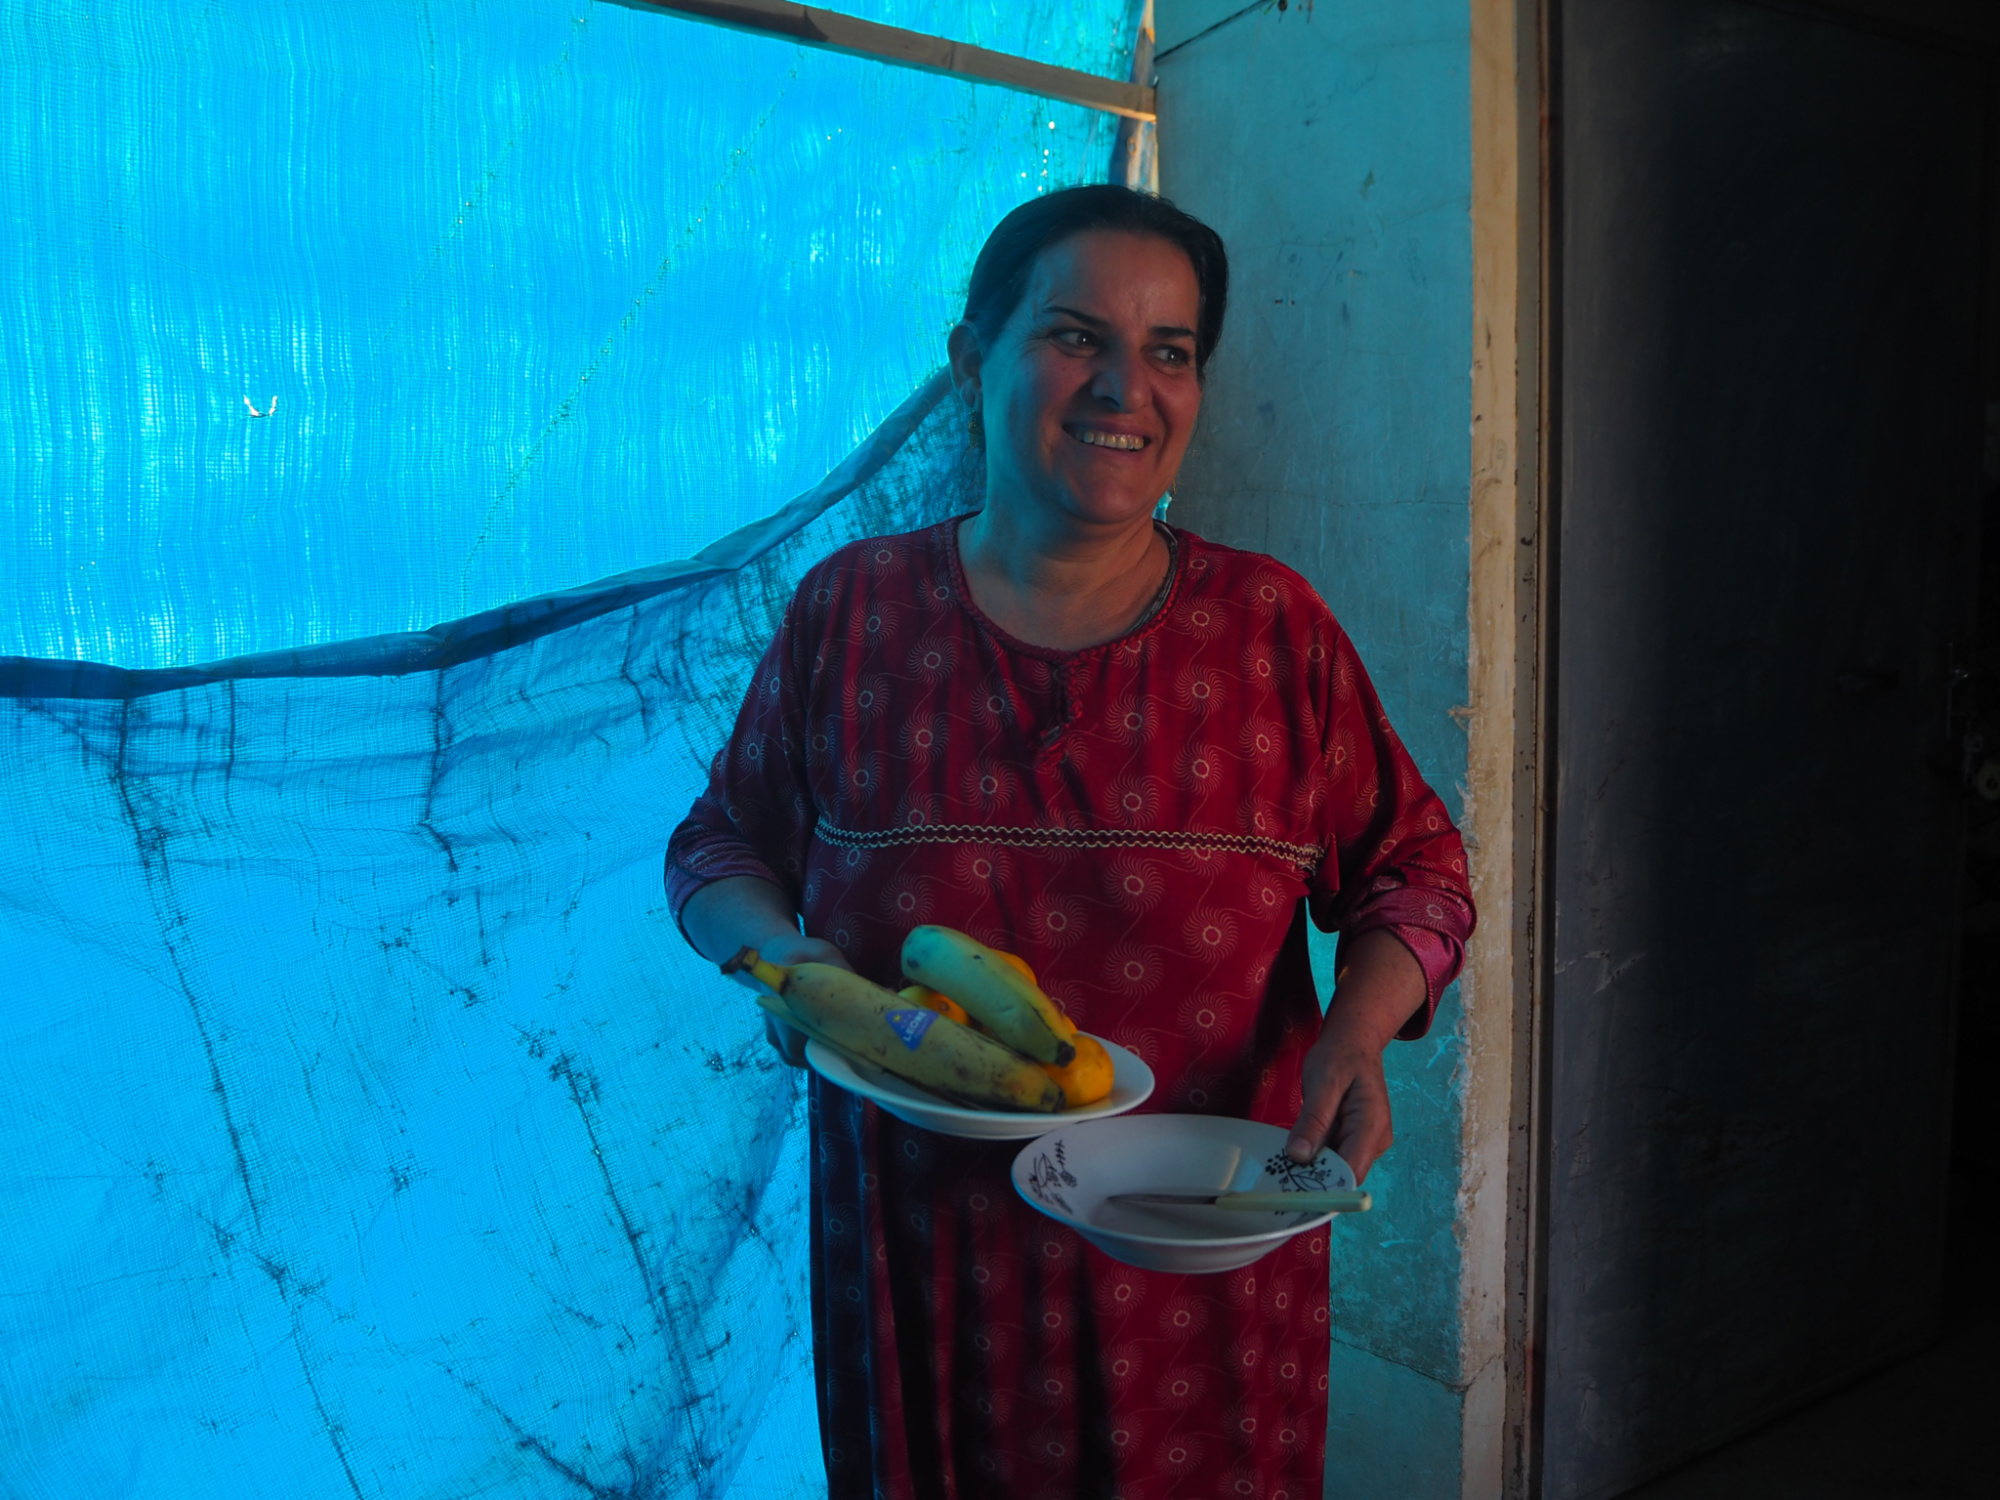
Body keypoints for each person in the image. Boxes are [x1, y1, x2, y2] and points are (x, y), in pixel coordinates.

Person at [667, 185, 1474, 1500]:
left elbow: (1418, 875)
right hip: (924, 1259)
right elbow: (716, 847)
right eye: (1075, 336)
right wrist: (781, 962)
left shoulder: (1273, 632)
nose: (1127, 387)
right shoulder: (853, 617)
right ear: (973, 359)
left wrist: (1356, 1037)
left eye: (1170, 352)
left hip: (1197, 1258)